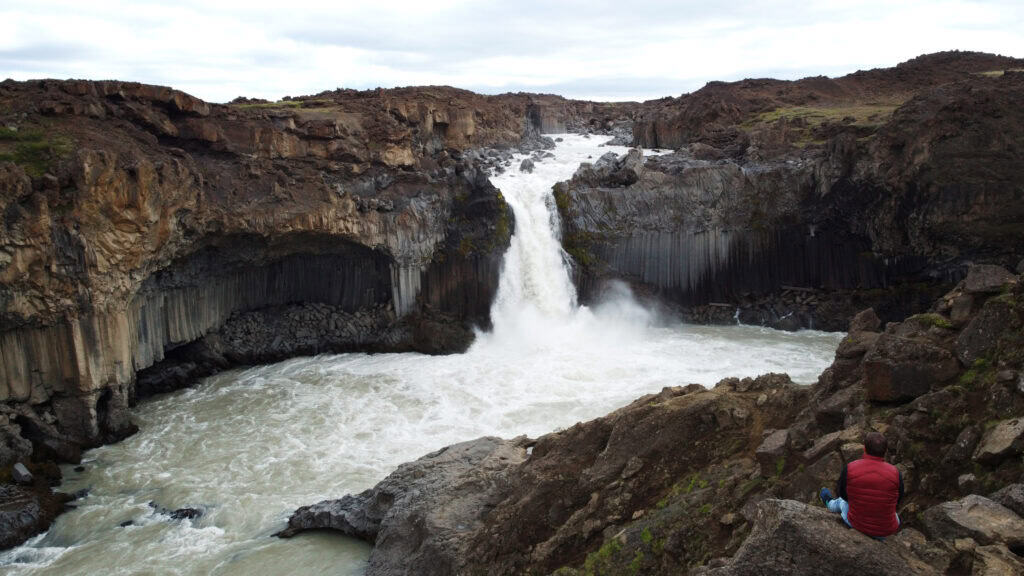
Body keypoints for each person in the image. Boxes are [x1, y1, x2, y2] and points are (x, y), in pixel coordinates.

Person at [819, 432, 903, 540]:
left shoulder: (850, 468)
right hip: (885, 529)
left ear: (864, 448)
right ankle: (879, 536)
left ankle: (828, 502)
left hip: (857, 523)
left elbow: (843, 495)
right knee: (894, 514)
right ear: (885, 451)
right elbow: (898, 500)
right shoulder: (896, 473)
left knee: (841, 501)